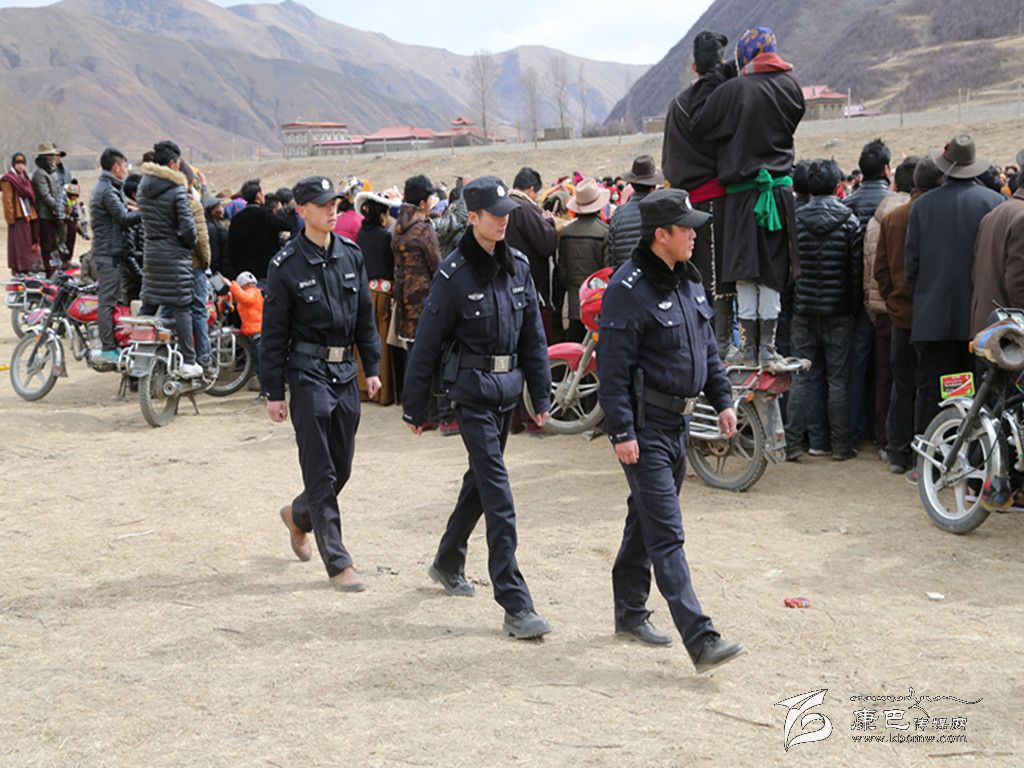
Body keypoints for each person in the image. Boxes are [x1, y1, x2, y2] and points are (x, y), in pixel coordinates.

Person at [596, 187, 743, 673]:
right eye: (686, 230)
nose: (695, 237)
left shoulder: (688, 280)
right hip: (646, 429)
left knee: (646, 520)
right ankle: (701, 639)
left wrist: (723, 400)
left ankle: (629, 612)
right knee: (667, 533)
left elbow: (707, 349)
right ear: (661, 235)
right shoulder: (627, 289)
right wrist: (621, 432)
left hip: (680, 426)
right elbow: (612, 368)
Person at [401, 176, 553, 640]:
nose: (504, 221)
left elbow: (533, 337)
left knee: (480, 484)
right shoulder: (453, 274)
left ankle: (448, 560)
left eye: (507, 213)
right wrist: (415, 408)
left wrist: (541, 396)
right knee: (498, 495)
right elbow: (427, 342)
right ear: (472, 218)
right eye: (494, 214)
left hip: (507, 393)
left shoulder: (518, 267)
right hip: (471, 395)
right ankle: (515, 603)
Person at [263, 176, 382, 591]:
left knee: (340, 468)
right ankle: (339, 563)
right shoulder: (285, 265)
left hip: (344, 371)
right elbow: (273, 332)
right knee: (319, 469)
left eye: (335, 204)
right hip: (307, 371)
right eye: (322, 205)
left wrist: (372, 366)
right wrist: (274, 391)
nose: (332, 211)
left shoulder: (351, 254)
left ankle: (298, 515)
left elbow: (364, 315)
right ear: (301, 211)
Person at [691, 26, 805, 366]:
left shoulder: (735, 90)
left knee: (743, 270)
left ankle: (749, 349)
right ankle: (768, 347)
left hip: (741, 196)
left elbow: (700, 125)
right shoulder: (792, 87)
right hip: (778, 193)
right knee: (771, 270)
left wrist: (715, 78)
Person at [905, 135, 1004, 433]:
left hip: (933, 318)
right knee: (981, 398)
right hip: (980, 320)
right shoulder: (994, 203)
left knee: (938, 396)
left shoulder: (922, 206)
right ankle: (975, 454)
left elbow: (912, 267)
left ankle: (936, 451)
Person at [783, 160, 863, 461]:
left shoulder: (796, 219)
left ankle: (794, 443)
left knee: (802, 378)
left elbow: (788, 270)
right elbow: (855, 272)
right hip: (839, 311)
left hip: (803, 310)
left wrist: (792, 305)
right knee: (838, 380)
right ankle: (840, 446)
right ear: (836, 186)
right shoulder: (849, 221)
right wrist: (851, 307)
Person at [662, 30, 736, 352]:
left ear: (694, 67)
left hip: (686, 204)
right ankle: (718, 347)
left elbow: (671, 162)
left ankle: (700, 344)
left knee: (694, 274)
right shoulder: (727, 96)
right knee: (718, 278)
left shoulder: (678, 104)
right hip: (718, 201)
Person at [874, 156, 943, 474]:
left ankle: (898, 452)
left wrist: (893, 300)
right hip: (933, 317)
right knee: (929, 387)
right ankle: (924, 454)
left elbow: (881, 271)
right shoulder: (937, 216)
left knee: (902, 386)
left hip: (900, 315)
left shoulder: (893, 218)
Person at [841, 139, 894, 451]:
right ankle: (882, 429)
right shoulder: (895, 205)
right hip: (888, 299)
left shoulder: (847, 205)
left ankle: (855, 429)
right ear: (886, 169)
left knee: (857, 365)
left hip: (856, 299)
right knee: (886, 366)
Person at [864, 155, 917, 457]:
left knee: (889, 378)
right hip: (914, 311)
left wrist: (886, 300)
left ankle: (887, 440)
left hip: (888, 310)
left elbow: (875, 271)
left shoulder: (882, 218)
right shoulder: (915, 215)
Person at [137, 140, 202, 378]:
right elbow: (188, 228)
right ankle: (189, 362)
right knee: (182, 306)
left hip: (151, 253)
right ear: (173, 163)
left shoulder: (143, 187)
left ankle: (138, 356)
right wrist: (188, 243)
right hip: (174, 255)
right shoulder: (176, 190)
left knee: (149, 303)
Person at [393, 174, 448, 430]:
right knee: (434, 359)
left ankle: (416, 411)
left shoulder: (398, 225)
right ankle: (437, 413)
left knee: (414, 358)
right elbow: (437, 265)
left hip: (405, 301)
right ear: (423, 202)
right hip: (425, 301)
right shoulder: (423, 227)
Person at [89, 147, 142, 365]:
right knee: (107, 301)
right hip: (107, 252)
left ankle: (112, 343)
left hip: (111, 251)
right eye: (124, 166)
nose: (126, 170)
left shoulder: (109, 187)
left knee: (112, 299)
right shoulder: (107, 190)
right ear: (116, 167)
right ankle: (108, 348)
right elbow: (123, 218)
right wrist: (148, 211)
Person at [354, 188, 399, 405]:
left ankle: (363, 389)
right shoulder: (385, 236)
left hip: (365, 292)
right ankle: (383, 392)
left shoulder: (361, 235)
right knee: (380, 341)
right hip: (383, 294)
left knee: (363, 341)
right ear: (382, 216)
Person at [506, 167, 558, 340]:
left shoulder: (504, 205)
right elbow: (546, 245)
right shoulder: (525, 209)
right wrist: (550, 222)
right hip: (529, 282)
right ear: (531, 190)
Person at [971, 166, 1024, 335]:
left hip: (989, 328)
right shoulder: (1021, 217)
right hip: (1009, 335)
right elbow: (1018, 285)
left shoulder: (997, 211)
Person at [558, 178, 609, 341]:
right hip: (597, 302)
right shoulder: (604, 232)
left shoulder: (565, 233)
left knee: (575, 345)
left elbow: (562, 271)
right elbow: (607, 269)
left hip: (574, 300)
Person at [225, 178, 297, 280]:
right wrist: (290, 210)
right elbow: (288, 225)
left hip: (245, 274)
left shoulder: (236, 219)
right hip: (266, 271)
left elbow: (231, 249)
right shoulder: (265, 215)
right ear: (258, 196)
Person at [604, 155, 664, 269]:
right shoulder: (662, 211)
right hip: (655, 275)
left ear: (631, 184)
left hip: (626, 276)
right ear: (654, 185)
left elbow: (612, 256)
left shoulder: (618, 214)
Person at [225, 270, 265, 397]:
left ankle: (265, 391)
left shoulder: (253, 293)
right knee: (257, 364)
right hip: (253, 336)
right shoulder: (250, 294)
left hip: (259, 336)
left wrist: (232, 285)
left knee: (262, 365)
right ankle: (264, 390)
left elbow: (244, 298)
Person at [1, 152, 42, 274]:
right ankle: (19, 268)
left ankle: (27, 267)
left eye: (23, 163)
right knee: (19, 244)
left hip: (28, 213)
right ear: (14, 164)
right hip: (17, 216)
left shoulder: (25, 177)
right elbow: (7, 200)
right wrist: (10, 219)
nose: (21, 166)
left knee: (27, 243)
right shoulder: (8, 179)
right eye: (18, 163)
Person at [31, 143, 67, 276]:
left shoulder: (53, 172)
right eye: (51, 155)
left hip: (54, 213)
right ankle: (49, 270)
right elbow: (44, 194)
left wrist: (62, 205)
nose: (53, 157)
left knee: (55, 243)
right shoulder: (39, 174)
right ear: (45, 157)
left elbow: (58, 191)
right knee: (47, 244)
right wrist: (58, 206)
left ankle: (56, 268)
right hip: (45, 214)